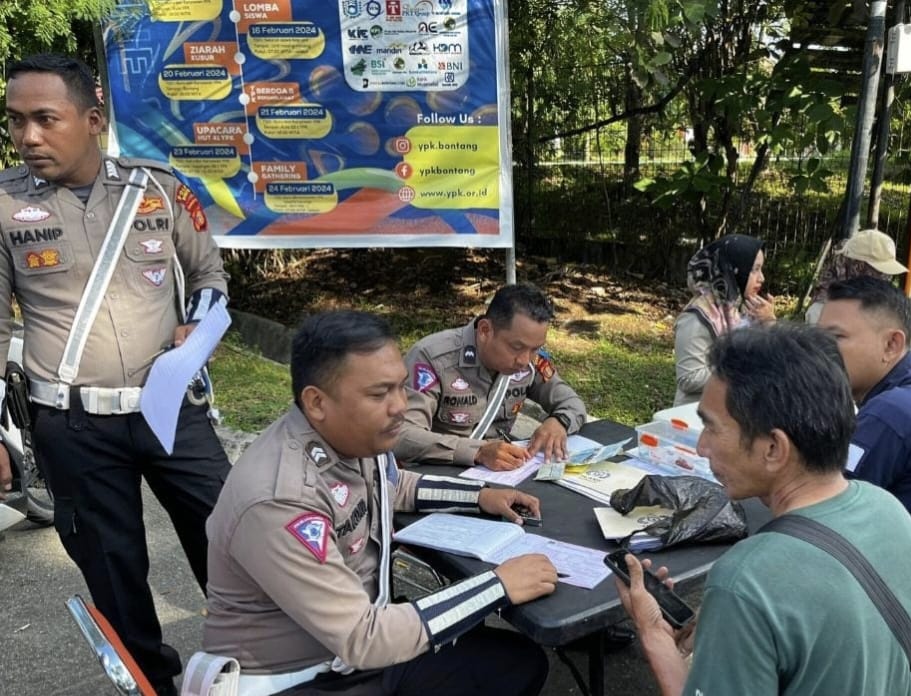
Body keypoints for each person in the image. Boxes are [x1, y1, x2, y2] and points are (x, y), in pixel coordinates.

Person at [0, 54, 231, 695]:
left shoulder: (157, 190)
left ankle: (254, 661)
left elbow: (210, 277)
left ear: (93, 120)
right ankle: (152, 683)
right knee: (113, 567)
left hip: (169, 411)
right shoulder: (2, 206)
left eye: (46, 118)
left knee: (230, 538)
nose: (28, 137)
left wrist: (200, 325)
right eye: (17, 121)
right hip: (72, 426)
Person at [203, 310, 556, 695]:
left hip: (354, 650)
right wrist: (497, 586)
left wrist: (480, 496)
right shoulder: (279, 499)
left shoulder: (354, 437)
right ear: (317, 402)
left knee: (515, 665)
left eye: (401, 387)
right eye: (378, 394)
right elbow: (363, 637)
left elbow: (391, 484)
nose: (400, 406)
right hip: (300, 676)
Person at [618, 323, 911, 695]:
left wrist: (654, 635)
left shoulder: (747, 579)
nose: (701, 447)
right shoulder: (891, 511)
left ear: (774, 449)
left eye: (712, 428)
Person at [819, 276, 911, 695]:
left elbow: (817, 519)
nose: (821, 353)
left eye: (836, 338)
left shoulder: (889, 417)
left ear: (891, 344)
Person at [394, 283, 587, 471]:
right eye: (516, 347)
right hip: (439, 471)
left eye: (536, 349)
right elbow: (401, 436)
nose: (524, 360)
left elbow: (571, 403)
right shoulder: (433, 358)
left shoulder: (530, 361)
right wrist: (477, 452)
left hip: (501, 474)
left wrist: (559, 422)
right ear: (485, 331)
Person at [673, 234, 775, 406]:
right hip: (698, 419)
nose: (762, 278)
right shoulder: (697, 317)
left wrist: (770, 323)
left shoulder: (738, 310)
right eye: (754, 270)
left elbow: (774, 360)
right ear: (731, 269)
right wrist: (742, 370)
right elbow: (688, 378)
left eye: (761, 269)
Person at [805, 228, 908, 324]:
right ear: (857, 267)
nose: (886, 279)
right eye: (879, 272)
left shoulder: (871, 299)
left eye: (887, 274)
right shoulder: (821, 313)